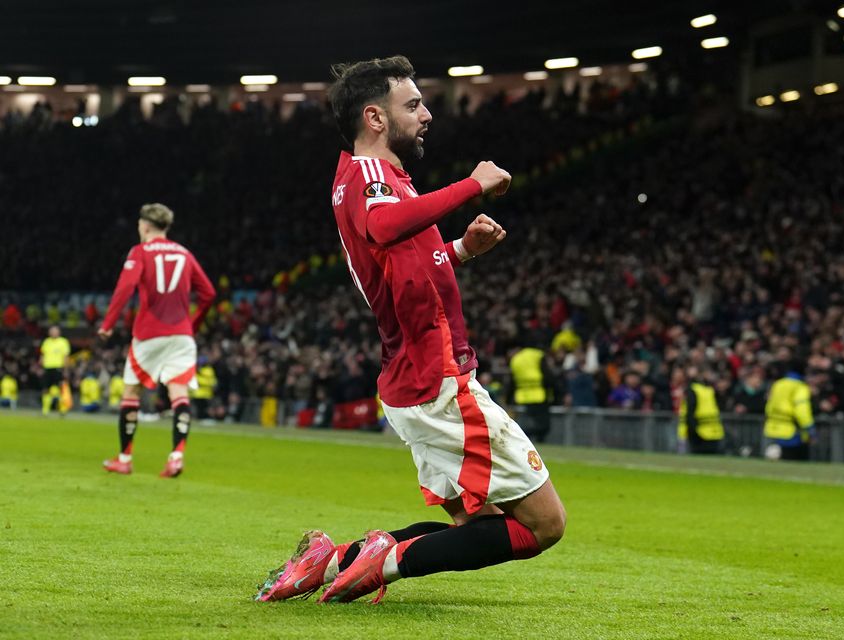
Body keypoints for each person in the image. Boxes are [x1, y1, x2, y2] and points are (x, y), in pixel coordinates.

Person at [255, 55, 565, 605]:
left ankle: (333, 559)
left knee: (482, 527)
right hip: (439, 378)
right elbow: (384, 226)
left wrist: (462, 250)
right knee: (543, 526)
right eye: (413, 105)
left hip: (411, 381)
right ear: (375, 117)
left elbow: (407, 268)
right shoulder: (372, 177)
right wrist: (472, 184)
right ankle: (386, 561)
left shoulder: (371, 178)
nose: (426, 115)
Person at [98, 203, 216, 477]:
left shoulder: (140, 252)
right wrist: (192, 324)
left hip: (149, 333)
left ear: (147, 225)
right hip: (182, 335)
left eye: (140, 224)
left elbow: (125, 287)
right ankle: (176, 457)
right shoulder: (185, 253)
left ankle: (125, 459)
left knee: (131, 394)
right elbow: (208, 293)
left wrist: (107, 324)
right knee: (179, 393)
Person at [763, 360, 816, 461]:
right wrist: (810, 428)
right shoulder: (800, 387)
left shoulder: (778, 384)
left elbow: (769, 405)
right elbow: (802, 410)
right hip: (791, 431)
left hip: (772, 427)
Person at [508, 339, 554, 442]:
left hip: (521, 396)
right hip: (539, 396)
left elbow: (512, 381)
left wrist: (508, 399)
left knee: (531, 423)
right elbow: (548, 376)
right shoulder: (538, 355)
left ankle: (524, 435)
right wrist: (555, 392)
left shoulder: (515, 359)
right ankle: (522, 433)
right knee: (544, 426)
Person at [677, 366, 725, 454]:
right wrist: (694, 432)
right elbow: (690, 414)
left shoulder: (708, 390)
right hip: (700, 434)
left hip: (710, 433)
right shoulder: (696, 390)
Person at [39, 325, 70, 416]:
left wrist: (65, 369)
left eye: (55, 331)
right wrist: (40, 366)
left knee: (60, 389)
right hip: (47, 368)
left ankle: (62, 409)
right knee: (45, 389)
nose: (53, 333)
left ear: (59, 332)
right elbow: (43, 355)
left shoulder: (63, 342)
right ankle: (45, 410)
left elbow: (66, 356)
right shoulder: (46, 342)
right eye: (52, 331)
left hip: (58, 367)